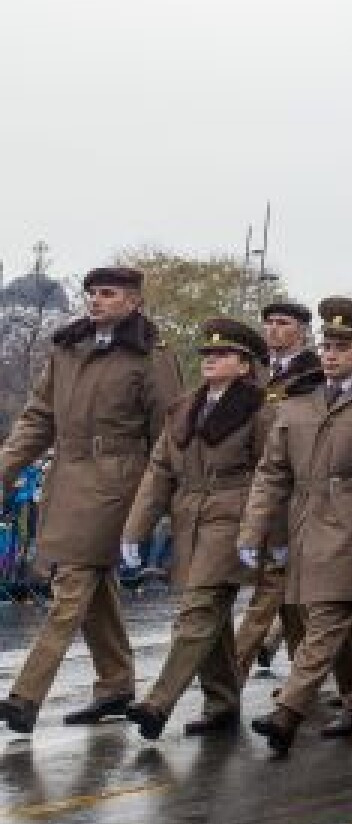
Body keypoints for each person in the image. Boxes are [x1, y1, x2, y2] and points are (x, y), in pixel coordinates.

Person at [0, 266, 185, 734]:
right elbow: (38, 418)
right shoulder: (68, 348)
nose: (96, 300)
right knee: (95, 584)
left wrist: (158, 499)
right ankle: (116, 684)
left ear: (133, 301)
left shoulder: (150, 355)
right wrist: (4, 468)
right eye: (91, 293)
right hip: (67, 479)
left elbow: (168, 437)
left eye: (108, 293)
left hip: (118, 485)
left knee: (73, 583)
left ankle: (25, 696)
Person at [239, 297, 352, 756]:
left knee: (328, 617)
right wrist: (254, 529)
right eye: (326, 346)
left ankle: (288, 712)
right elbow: (272, 472)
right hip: (305, 523)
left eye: (342, 347)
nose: (331, 355)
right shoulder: (298, 402)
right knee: (328, 617)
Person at [120, 319, 274, 740]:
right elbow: (159, 472)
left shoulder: (260, 410)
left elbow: (272, 474)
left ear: (244, 365)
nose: (210, 360)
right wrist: (135, 530)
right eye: (207, 353)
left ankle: (157, 704)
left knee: (198, 610)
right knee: (212, 618)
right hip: (190, 519)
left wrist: (264, 531)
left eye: (222, 354)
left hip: (233, 518)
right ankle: (222, 703)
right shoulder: (184, 409)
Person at [233, 299, 321, 679]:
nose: (273, 329)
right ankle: (310, 678)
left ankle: (232, 673)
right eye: (268, 322)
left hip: (295, 490)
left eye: (283, 323)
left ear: (302, 331)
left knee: (274, 584)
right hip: (260, 487)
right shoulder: (256, 374)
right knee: (289, 595)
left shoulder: (315, 375)